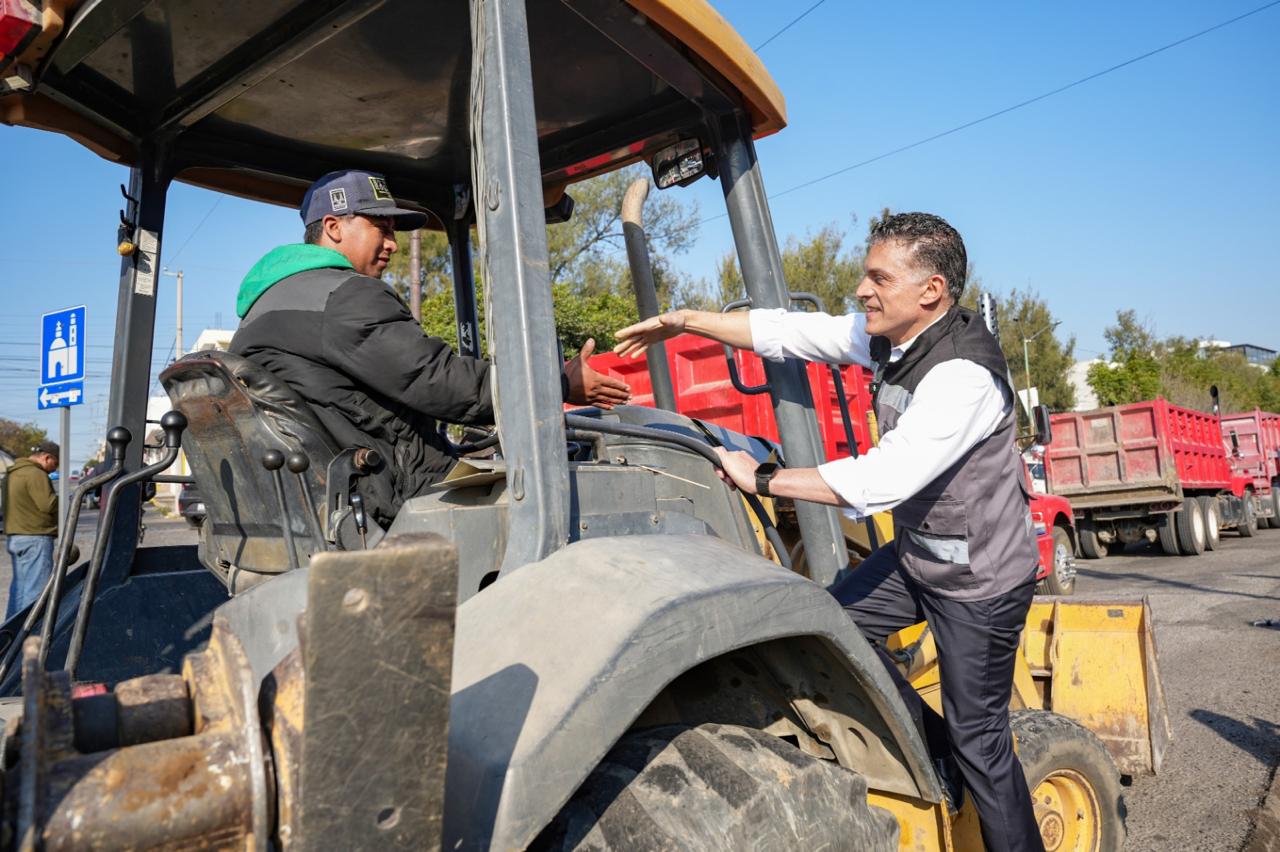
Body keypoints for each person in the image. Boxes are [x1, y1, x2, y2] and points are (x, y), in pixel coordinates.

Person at [614, 212, 1043, 852]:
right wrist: (687, 320)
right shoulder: (893, 338)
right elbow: (788, 331)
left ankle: (978, 781)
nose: (862, 290)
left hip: (978, 581)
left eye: (878, 277)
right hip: (919, 557)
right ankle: (934, 751)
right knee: (832, 626)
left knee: (982, 743)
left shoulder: (962, 376)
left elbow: (877, 482)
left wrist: (760, 478)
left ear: (930, 290)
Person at [231, 170, 630, 528]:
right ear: (334, 227)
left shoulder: (261, 312)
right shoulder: (345, 297)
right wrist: (557, 382)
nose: (393, 245)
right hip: (393, 502)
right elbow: (441, 383)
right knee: (585, 505)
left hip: (325, 507)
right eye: (380, 228)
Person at [2, 441, 60, 619]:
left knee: (18, 592)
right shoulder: (36, 474)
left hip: (15, 537)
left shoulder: (11, 474)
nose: (53, 469)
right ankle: (31, 638)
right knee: (36, 593)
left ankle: (11, 635)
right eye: (55, 463)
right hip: (36, 537)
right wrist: (67, 499)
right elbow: (47, 504)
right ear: (46, 457)